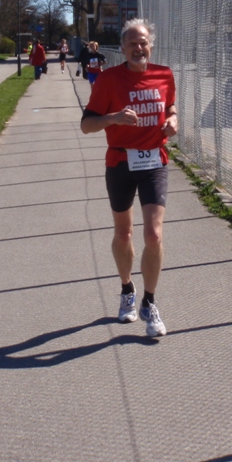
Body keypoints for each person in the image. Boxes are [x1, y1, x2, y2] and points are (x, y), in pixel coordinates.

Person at [80, 19, 177, 337]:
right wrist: (114, 118)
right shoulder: (108, 80)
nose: (139, 47)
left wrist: (173, 120)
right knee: (124, 234)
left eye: (144, 42)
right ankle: (127, 291)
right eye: (132, 43)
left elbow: (171, 106)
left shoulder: (164, 75)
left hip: (154, 161)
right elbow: (87, 125)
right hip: (120, 161)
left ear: (151, 45)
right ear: (122, 48)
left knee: (153, 234)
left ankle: (150, 303)